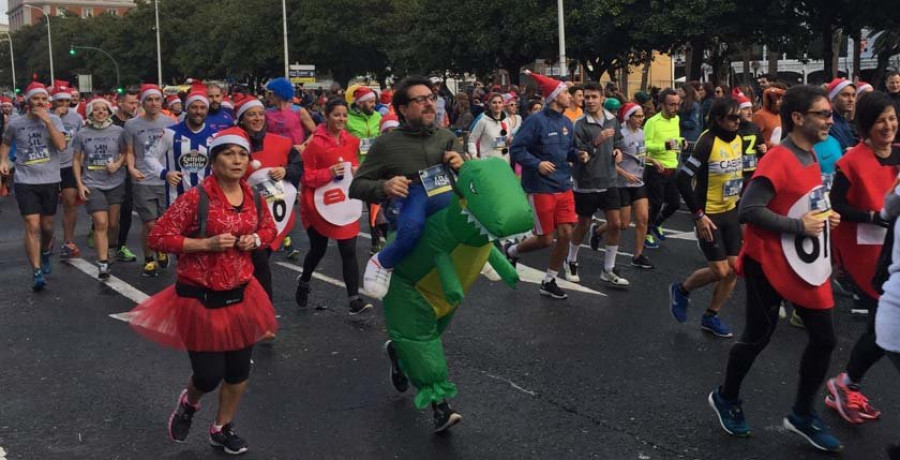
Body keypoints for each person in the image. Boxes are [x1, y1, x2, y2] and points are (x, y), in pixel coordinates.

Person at [708, 85, 843, 453]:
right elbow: (749, 211)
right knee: (757, 336)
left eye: (830, 113)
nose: (831, 119)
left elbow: (801, 203)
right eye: (823, 114)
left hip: (804, 263)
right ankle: (726, 397)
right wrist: (801, 227)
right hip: (768, 261)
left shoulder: (811, 154)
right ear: (798, 118)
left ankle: (801, 413)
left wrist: (824, 216)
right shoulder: (778, 159)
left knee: (825, 338)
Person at [127, 127, 277, 456]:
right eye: (229, 154)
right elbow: (159, 238)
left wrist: (256, 240)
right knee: (208, 376)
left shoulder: (253, 196)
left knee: (239, 371)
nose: (237, 161)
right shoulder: (196, 198)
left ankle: (221, 428)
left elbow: (268, 227)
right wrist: (204, 244)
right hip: (201, 297)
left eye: (242, 155)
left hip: (242, 294)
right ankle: (189, 403)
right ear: (214, 160)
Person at [350, 75, 464, 300]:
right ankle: (383, 263)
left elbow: (469, 180)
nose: (429, 103)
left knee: (443, 304)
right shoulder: (387, 143)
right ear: (403, 109)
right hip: (406, 227)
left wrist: (462, 166)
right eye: (420, 100)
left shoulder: (447, 137)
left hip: (443, 227)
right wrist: (386, 186)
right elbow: (357, 187)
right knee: (410, 303)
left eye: (431, 97)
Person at [825, 91, 899, 425]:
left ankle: (846, 383)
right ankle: (845, 383)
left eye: (893, 119)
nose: (888, 126)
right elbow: (836, 205)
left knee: (882, 326)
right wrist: (871, 216)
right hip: (862, 255)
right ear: (866, 125)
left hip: (892, 251)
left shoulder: (899, 154)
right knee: (884, 326)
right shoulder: (851, 160)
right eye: (881, 120)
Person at [504, 71, 588, 300]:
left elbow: (568, 150)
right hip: (541, 187)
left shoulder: (566, 122)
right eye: (565, 93)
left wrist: (578, 154)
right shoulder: (535, 121)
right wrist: (537, 164)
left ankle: (549, 280)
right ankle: (512, 250)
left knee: (566, 234)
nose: (570, 96)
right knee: (545, 239)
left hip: (563, 184)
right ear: (553, 96)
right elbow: (517, 149)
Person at [670, 98, 745, 338]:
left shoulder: (739, 139)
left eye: (739, 117)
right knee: (720, 270)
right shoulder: (707, 142)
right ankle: (681, 290)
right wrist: (698, 215)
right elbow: (682, 178)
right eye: (733, 118)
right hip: (709, 214)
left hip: (731, 211)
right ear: (719, 119)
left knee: (734, 269)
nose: (738, 122)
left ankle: (710, 316)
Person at [294, 97, 373, 314]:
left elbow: (357, 164)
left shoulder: (352, 140)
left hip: (345, 202)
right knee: (318, 249)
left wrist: (357, 171)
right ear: (327, 115)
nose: (341, 119)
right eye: (336, 115)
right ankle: (305, 280)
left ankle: (354, 299)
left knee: (348, 249)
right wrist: (327, 173)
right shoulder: (315, 143)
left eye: (344, 115)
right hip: (317, 204)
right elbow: (306, 176)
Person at [234, 96, 302, 301]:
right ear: (241, 119)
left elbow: (299, 167)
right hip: (240, 214)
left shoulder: (281, 142)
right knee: (257, 262)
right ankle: (259, 307)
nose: (257, 118)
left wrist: (285, 170)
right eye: (251, 114)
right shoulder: (232, 143)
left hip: (273, 215)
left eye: (260, 114)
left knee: (259, 260)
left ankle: (257, 306)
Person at [0, 82, 67, 290]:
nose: (40, 102)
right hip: (25, 180)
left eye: (43, 99)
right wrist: (3, 160)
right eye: (36, 98)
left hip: (49, 179)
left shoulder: (54, 119)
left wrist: (47, 121)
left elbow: (61, 145)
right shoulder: (16, 123)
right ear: (28, 101)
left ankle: (45, 251)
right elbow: (6, 142)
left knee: (47, 227)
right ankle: (36, 271)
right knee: (32, 224)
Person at [566, 82, 629, 286]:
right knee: (583, 224)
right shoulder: (580, 124)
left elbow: (618, 141)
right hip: (587, 180)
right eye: (587, 97)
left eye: (594, 97)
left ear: (602, 98)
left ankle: (608, 269)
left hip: (609, 178)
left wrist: (618, 151)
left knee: (616, 224)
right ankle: (571, 260)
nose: (590, 101)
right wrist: (597, 141)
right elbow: (577, 152)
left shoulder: (612, 120)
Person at [124, 84, 176, 277]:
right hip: (142, 179)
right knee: (149, 223)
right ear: (142, 102)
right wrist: (131, 168)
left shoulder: (171, 123)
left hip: (165, 179)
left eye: (156, 99)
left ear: (162, 101)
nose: (153, 103)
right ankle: (148, 258)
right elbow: (129, 151)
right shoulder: (131, 125)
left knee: (163, 222)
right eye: (149, 100)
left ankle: (161, 248)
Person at [72, 97, 126, 279]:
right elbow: (76, 160)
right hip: (92, 183)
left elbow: (127, 153)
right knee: (100, 223)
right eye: (96, 110)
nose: (101, 112)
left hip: (115, 182)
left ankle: (110, 248)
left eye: (104, 109)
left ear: (109, 112)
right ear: (90, 113)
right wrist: (80, 184)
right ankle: (102, 263)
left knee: (112, 224)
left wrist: (118, 164)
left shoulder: (118, 131)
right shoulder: (82, 134)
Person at [145, 90, 216, 206]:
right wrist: (165, 173)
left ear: (207, 110)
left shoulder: (215, 136)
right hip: (177, 201)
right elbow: (149, 157)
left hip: (208, 201)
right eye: (194, 107)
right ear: (186, 108)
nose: (198, 112)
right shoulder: (170, 133)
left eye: (203, 108)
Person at [643, 89, 684, 249]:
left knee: (674, 203)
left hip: (672, 166)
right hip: (655, 168)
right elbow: (645, 145)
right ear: (661, 105)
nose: (675, 108)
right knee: (656, 203)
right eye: (671, 105)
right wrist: (666, 146)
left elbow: (675, 140)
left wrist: (681, 141)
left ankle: (656, 224)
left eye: (677, 104)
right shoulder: (652, 122)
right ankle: (646, 234)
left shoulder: (676, 119)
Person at [615, 102, 654, 269]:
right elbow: (610, 162)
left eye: (642, 116)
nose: (641, 119)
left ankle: (637, 256)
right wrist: (625, 174)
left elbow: (639, 156)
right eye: (637, 116)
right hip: (622, 183)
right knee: (622, 224)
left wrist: (653, 161)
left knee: (643, 219)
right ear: (628, 117)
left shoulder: (642, 134)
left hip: (638, 182)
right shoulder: (619, 135)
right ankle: (598, 231)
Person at [50, 85, 85, 259]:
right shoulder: (46, 117)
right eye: (60, 101)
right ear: (52, 101)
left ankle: (68, 241)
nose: (64, 104)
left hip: (69, 165)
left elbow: (82, 141)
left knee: (70, 202)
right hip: (48, 166)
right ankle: (48, 237)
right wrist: (54, 118)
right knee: (47, 209)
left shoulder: (77, 118)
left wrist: (81, 164)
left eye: (66, 100)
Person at [110, 90, 140, 263]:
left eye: (136, 103)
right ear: (120, 103)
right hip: (109, 174)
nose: (134, 106)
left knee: (127, 210)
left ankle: (121, 246)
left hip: (129, 173)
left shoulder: (137, 123)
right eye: (131, 103)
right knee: (109, 216)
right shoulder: (110, 122)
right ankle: (104, 239)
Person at [265, 77, 314, 146]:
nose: (267, 97)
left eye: (269, 93)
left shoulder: (299, 111)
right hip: (275, 153)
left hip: (296, 154)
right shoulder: (267, 113)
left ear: (277, 94)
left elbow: (315, 132)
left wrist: (304, 146)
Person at [734, 92, 767, 185]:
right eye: (745, 109)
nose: (750, 112)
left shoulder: (754, 127)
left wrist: (763, 148)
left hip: (752, 172)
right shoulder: (733, 128)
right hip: (737, 172)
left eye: (750, 109)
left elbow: (761, 143)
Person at [467, 93, 511, 162]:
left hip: (504, 162)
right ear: (489, 105)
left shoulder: (508, 121)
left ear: (503, 105)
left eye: (499, 102)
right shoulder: (483, 121)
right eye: (494, 103)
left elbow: (504, 140)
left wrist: (509, 141)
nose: (497, 105)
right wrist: (474, 155)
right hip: (488, 162)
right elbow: (472, 140)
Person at [346, 86, 383, 162]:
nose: (374, 105)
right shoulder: (347, 118)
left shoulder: (378, 116)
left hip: (375, 163)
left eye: (374, 101)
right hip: (356, 164)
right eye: (371, 102)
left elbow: (383, 136)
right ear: (360, 103)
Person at [826, 78, 858, 151]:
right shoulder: (828, 122)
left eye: (853, 95)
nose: (851, 99)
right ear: (833, 98)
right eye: (845, 95)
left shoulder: (843, 120)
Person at [886, 71, 900, 142]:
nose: (895, 85)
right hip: (891, 137)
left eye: (897, 82)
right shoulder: (883, 99)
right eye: (892, 82)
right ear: (886, 83)